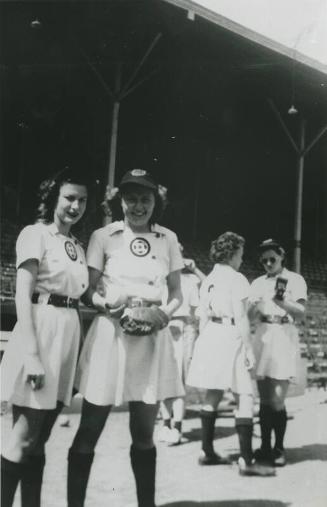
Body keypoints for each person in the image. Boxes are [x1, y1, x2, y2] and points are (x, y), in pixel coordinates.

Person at [68, 168, 184, 507]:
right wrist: (107, 305)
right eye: (131, 198)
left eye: (145, 199)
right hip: (111, 332)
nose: (138, 206)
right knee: (90, 427)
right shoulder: (104, 236)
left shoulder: (168, 238)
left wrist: (165, 313)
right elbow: (88, 290)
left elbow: (176, 292)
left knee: (144, 433)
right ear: (120, 201)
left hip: (150, 336)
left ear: (155, 202)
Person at [1, 167, 90, 507]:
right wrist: (32, 354)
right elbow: (23, 294)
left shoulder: (76, 245)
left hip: (67, 333)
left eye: (82, 200)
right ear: (54, 198)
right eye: (69, 197)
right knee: (22, 440)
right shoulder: (35, 233)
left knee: (39, 441)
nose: (75, 205)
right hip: (41, 331)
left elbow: (81, 294)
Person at [187, 232, 275, 476]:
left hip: (209, 335)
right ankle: (246, 460)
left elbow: (202, 317)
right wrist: (248, 349)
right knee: (244, 395)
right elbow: (241, 318)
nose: (242, 259)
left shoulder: (209, 279)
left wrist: (202, 346)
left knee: (213, 392)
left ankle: (206, 451)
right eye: (241, 255)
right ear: (234, 253)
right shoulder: (237, 279)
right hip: (230, 333)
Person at [248, 238, 307, 467]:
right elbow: (250, 316)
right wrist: (253, 306)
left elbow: (301, 313)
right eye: (264, 260)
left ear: (282, 256)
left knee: (278, 399)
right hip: (262, 334)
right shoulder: (257, 282)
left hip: (283, 333)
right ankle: (264, 447)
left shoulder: (294, 279)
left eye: (272, 258)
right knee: (263, 400)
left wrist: (282, 301)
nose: (268, 263)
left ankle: (279, 447)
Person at [158, 250, 205, 445]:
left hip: (185, 329)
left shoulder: (190, 279)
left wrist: (195, 269)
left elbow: (212, 285)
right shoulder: (160, 277)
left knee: (178, 381)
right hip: (163, 327)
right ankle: (165, 425)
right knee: (163, 380)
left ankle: (176, 427)